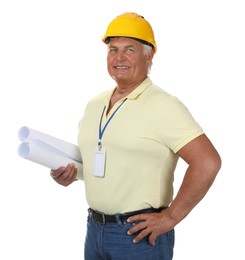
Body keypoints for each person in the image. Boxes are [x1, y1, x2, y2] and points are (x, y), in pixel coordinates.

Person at [50, 12, 222, 260]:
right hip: (94, 229)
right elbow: (104, 164)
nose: (119, 58)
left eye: (130, 49)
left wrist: (170, 217)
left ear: (148, 54)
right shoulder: (95, 104)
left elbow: (207, 161)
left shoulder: (163, 106)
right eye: (113, 50)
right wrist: (72, 173)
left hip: (138, 236)